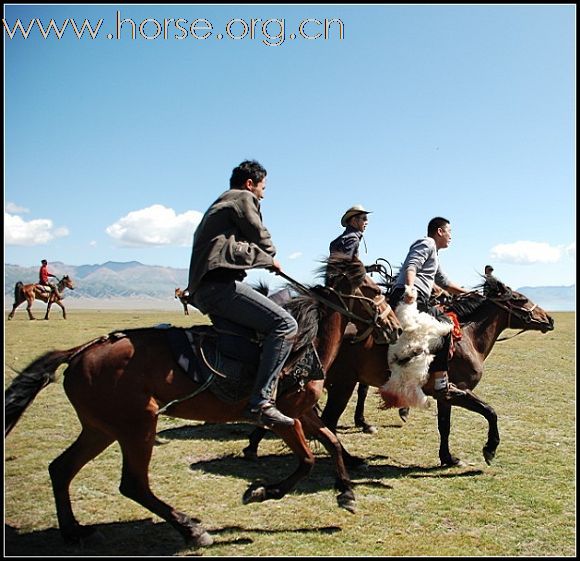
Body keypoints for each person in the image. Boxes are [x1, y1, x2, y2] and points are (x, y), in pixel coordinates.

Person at [186, 160, 298, 429]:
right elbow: (259, 234)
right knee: (285, 325)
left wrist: (261, 260)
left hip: (206, 287)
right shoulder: (242, 198)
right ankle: (261, 401)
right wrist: (269, 256)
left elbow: (235, 248)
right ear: (250, 183)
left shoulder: (221, 204)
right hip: (219, 286)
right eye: (263, 187)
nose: (263, 193)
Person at [389, 217, 469, 398]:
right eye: (449, 231)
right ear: (440, 231)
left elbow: (446, 283)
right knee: (448, 325)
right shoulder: (427, 243)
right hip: (411, 297)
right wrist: (410, 289)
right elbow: (411, 265)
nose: (451, 236)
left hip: (416, 297)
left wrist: (469, 293)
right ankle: (441, 383)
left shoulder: (434, 254)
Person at [329, 205, 377, 434]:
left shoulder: (343, 238)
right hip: (345, 294)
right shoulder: (352, 238)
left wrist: (367, 268)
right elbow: (347, 267)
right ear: (353, 220)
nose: (366, 221)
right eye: (363, 218)